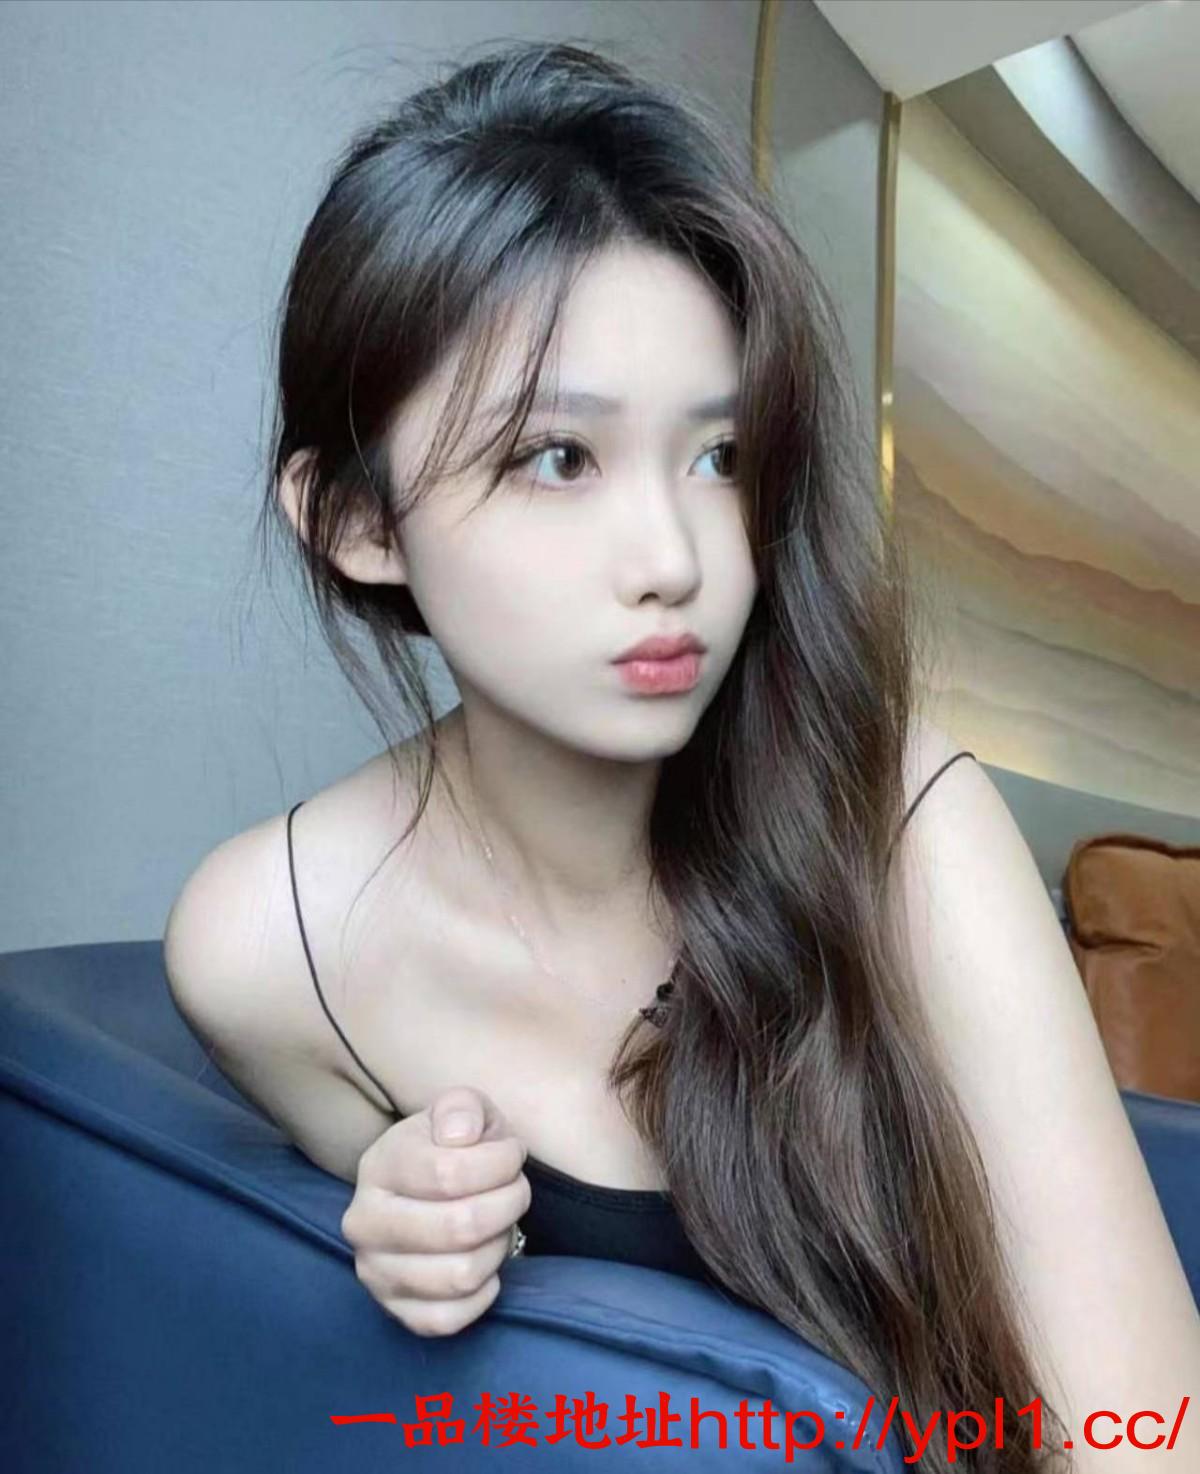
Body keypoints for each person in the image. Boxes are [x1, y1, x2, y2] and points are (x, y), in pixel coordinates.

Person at [163, 40, 1200, 1473]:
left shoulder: (898, 817)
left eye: (719, 457)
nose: (676, 559)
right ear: (356, 519)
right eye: (558, 457)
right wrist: (403, 1196)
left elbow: (1145, 1438)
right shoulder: (268, 945)